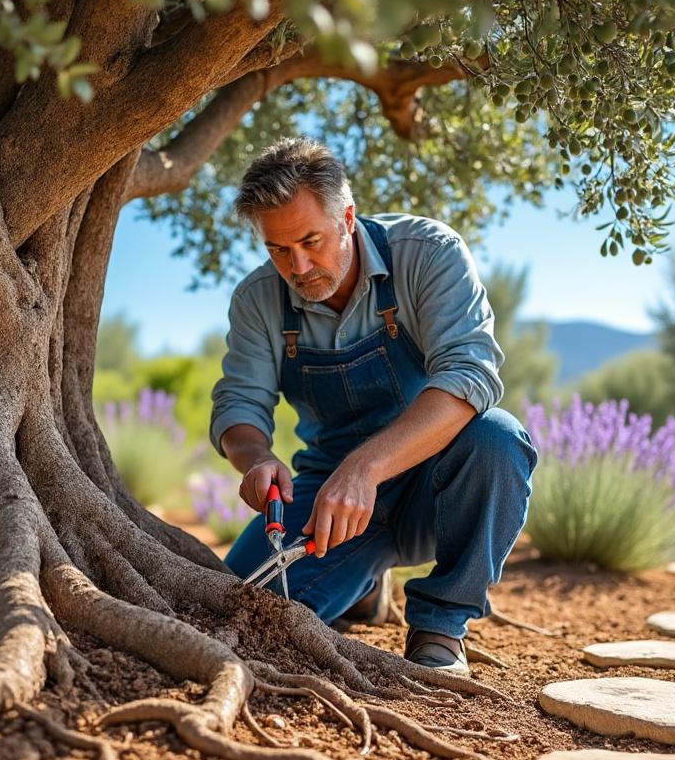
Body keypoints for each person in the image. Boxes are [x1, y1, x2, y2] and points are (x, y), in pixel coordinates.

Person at [213, 137, 537, 676]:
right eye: (278, 249)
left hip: (436, 487)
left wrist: (365, 469)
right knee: (249, 612)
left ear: (347, 216)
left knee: (498, 438)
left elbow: (469, 373)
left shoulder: (428, 252)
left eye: (311, 241)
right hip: (328, 503)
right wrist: (256, 460)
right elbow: (238, 406)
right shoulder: (256, 299)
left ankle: (440, 627)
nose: (298, 265)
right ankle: (362, 588)